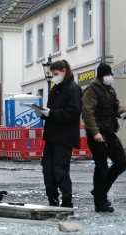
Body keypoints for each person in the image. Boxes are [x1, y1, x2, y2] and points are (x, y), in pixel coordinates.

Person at [82, 63, 126, 213]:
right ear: (101, 76)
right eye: (107, 75)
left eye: (111, 75)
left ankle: (99, 191)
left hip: (109, 132)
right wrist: (95, 132)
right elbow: (87, 113)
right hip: (96, 134)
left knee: (121, 162)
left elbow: (115, 108)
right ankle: (100, 202)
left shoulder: (110, 90)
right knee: (101, 166)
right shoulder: (91, 91)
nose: (110, 77)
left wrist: (123, 111)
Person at [35, 60, 82, 208]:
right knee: (47, 169)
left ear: (64, 71)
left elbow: (73, 113)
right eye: (52, 74)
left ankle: (66, 200)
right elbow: (53, 111)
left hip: (65, 137)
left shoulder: (73, 88)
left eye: (55, 74)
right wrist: (44, 113)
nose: (54, 77)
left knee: (60, 169)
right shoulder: (56, 89)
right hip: (52, 135)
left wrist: (50, 113)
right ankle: (52, 198)